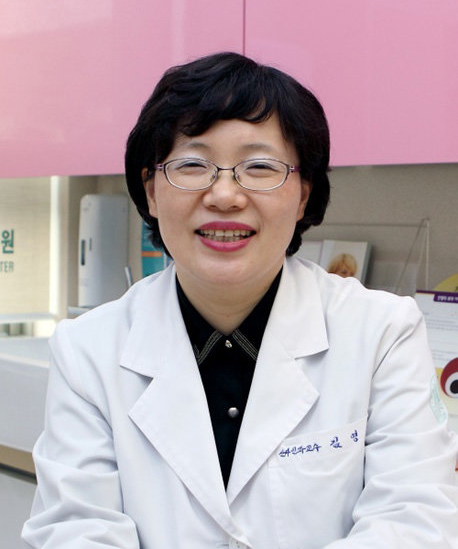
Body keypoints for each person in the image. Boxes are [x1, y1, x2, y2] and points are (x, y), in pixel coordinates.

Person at [22, 52, 458, 548]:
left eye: (259, 166)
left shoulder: (381, 333)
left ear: (303, 193)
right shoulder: (88, 350)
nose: (225, 195)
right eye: (192, 165)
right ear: (151, 192)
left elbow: (414, 522)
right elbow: (75, 530)